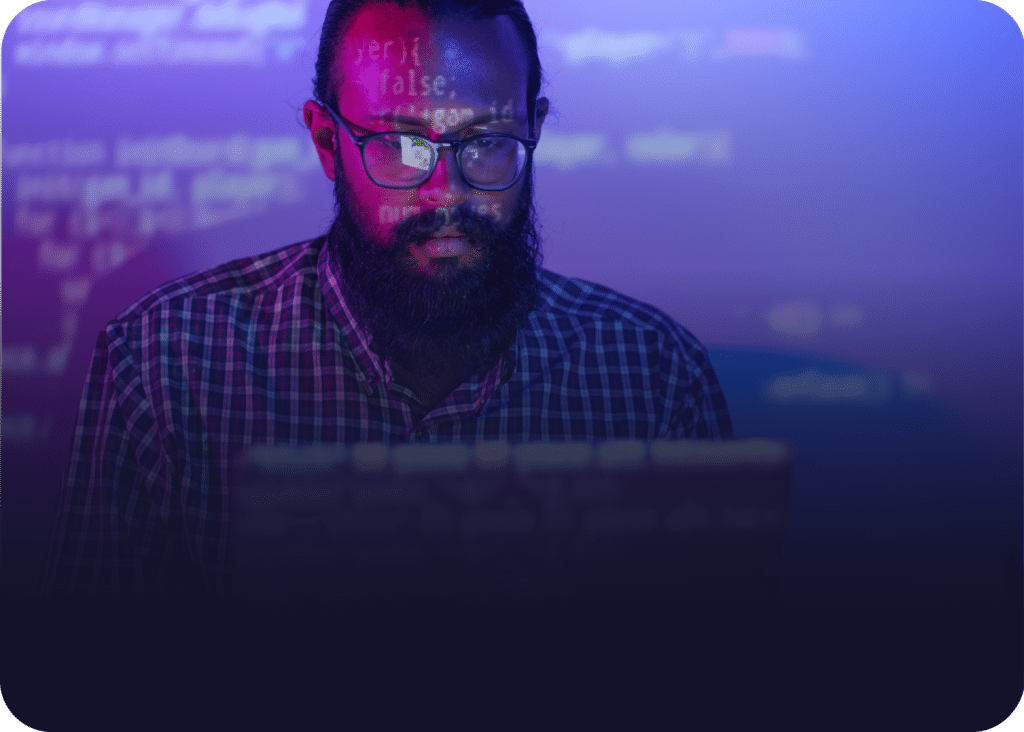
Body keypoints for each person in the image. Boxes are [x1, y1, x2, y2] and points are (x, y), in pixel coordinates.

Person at [41, 0, 733, 607]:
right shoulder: (164, 364)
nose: (446, 192)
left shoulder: (654, 375)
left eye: (487, 142)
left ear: (535, 130)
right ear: (326, 142)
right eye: (400, 145)